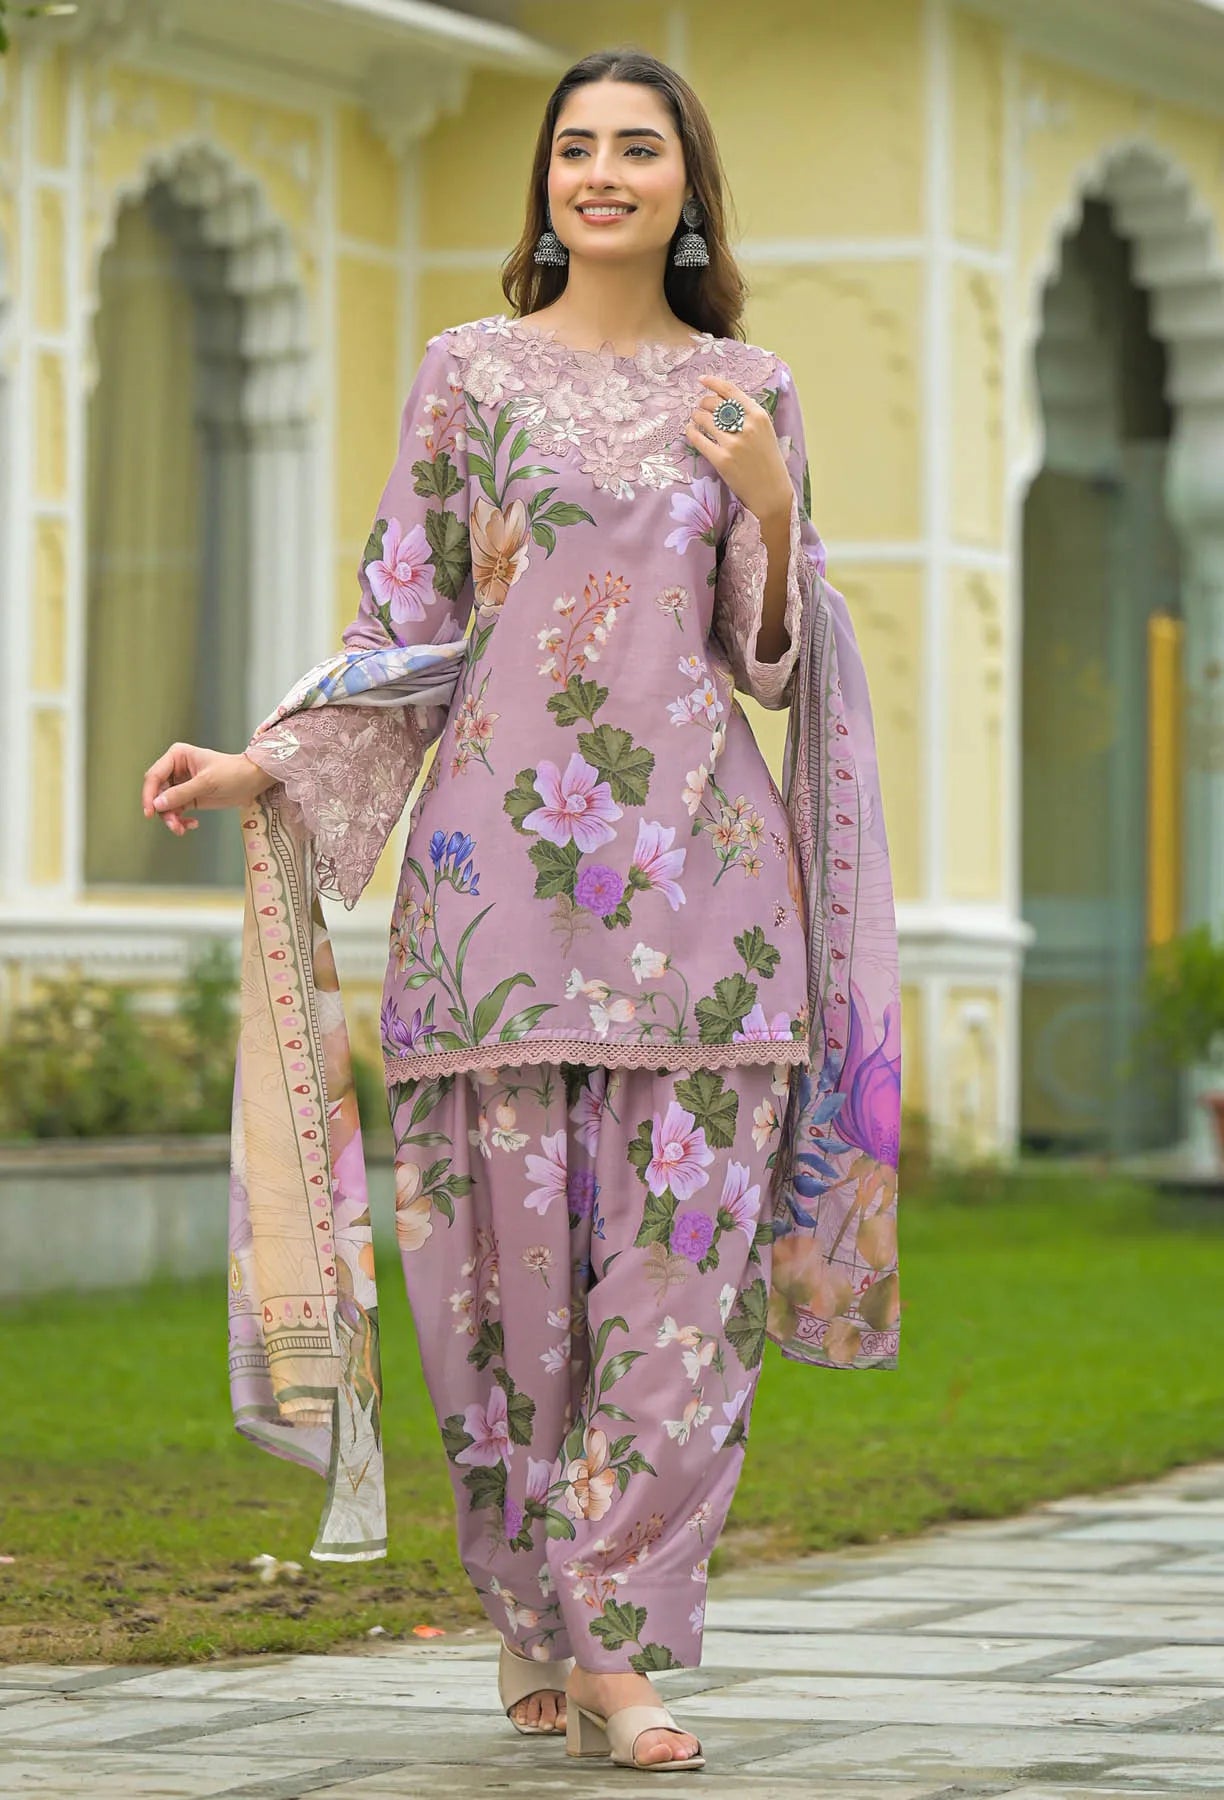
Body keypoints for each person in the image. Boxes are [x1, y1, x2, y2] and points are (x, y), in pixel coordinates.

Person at [141, 46, 902, 1776]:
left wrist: (776, 516)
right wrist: (273, 764)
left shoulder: (748, 388)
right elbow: (405, 619)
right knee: (495, 1304)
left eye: (640, 148)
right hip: (489, 908)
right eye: (578, 148)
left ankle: (623, 1646)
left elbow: (773, 661)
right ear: (546, 183)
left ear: (688, 185)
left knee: (678, 1301)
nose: (606, 173)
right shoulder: (465, 378)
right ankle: (531, 1624)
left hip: (709, 915)